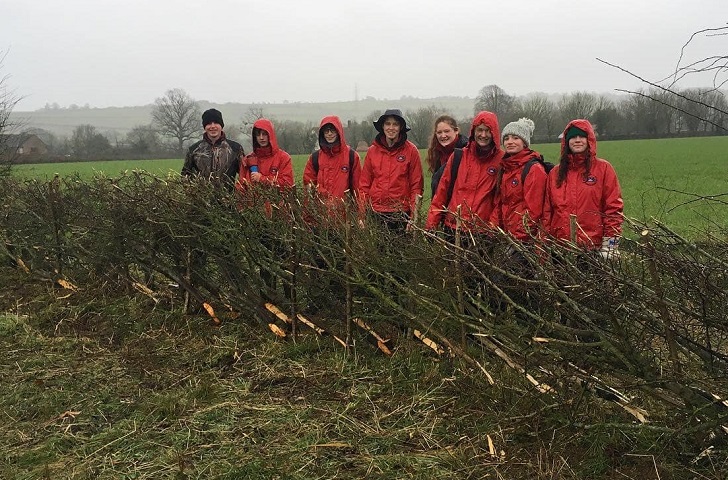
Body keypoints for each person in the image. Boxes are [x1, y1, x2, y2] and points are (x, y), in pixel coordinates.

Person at [544, 119, 623, 259]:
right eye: (573, 137)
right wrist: (544, 246)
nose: (577, 140)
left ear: (589, 139)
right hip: (560, 249)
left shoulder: (603, 169)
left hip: (593, 248)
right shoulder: (555, 174)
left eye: (582, 136)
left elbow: (613, 209)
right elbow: (547, 213)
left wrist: (611, 246)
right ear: (566, 141)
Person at [236, 118, 295, 300]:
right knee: (264, 261)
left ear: (271, 136)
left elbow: (287, 184)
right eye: (258, 135)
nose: (261, 138)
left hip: (280, 217)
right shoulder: (248, 160)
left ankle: (289, 299)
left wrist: (263, 179)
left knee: (284, 260)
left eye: (264, 134)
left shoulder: (283, 158)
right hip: (258, 218)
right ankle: (269, 299)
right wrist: (243, 210)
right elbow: (242, 187)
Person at [425, 111, 502, 234]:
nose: (483, 135)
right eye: (479, 130)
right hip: (453, 227)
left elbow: (500, 199)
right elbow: (441, 193)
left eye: (488, 130)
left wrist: (492, 229)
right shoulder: (459, 156)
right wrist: (431, 225)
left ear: (494, 133)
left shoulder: (501, 161)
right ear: (473, 131)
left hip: (482, 231)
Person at [360, 109, 424, 232]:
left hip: (401, 213)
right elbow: (364, 185)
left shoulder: (411, 151)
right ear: (382, 127)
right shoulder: (372, 151)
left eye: (395, 124)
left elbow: (416, 186)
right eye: (388, 124)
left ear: (401, 127)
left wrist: (413, 217)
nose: (391, 127)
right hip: (375, 212)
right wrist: (362, 215)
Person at [496, 117, 548, 242]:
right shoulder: (505, 168)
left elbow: (534, 211)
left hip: (525, 240)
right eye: (506, 138)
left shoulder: (534, 169)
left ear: (525, 142)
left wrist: (520, 236)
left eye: (515, 138)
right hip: (507, 236)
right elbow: (501, 203)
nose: (510, 142)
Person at [303, 115, 362, 221]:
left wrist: (360, 217)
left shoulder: (351, 156)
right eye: (326, 131)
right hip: (321, 220)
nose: (329, 134)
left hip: (345, 220)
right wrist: (308, 219)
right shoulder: (315, 158)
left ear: (339, 132)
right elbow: (308, 191)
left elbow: (358, 191)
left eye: (332, 130)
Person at [181, 108, 244, 187]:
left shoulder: (236, 148)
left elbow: (244, 176)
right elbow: (185, 176)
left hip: (228, 198)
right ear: (204, 127)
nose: (212, 126)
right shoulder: (194, 150)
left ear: (221, 126)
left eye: (216, 123)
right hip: (201, 198)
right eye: (209, 123)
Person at [426, 115, 469, 198]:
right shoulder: (437, 153)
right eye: (439, 132)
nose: (443, 135)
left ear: (456, 131)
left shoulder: (465, 151)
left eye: (446, 131)